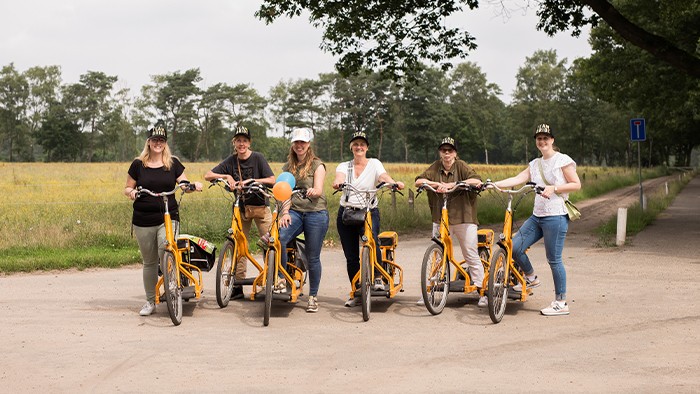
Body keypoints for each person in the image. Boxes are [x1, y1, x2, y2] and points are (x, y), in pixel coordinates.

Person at [492, 124, 581, 316]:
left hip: (555, 216)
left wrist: (555, 188)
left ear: (552, 140)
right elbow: (518, 178)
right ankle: (531, 276)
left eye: (546, 138)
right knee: (513, 247)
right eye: (539, 138)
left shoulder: (562, 160)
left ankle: (561, 302)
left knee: (554, 259)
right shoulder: (535, 164)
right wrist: (493, 184)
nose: (542, 141)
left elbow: (576, 184)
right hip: (537, 215)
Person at [125, 121, 203, 316]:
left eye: (161, 140)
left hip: (168, 216)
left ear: (165, 143)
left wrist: (191, 185)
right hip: (143, 218)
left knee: (165, 246)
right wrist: (132, 193)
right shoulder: (138, 164)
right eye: (154, 139)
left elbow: (183, 183)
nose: (158, 143)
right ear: (148, 142)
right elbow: (127, 187)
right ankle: (150, 301)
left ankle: (172, 285)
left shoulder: (172, 163)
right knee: (149, 262)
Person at [332, 131, 405, 307]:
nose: (359, 147)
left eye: (362, 144)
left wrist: (392, 182)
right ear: (351, 147)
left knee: (372, 242)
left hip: (368, 211)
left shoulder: (374, 163)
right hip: (347, 212)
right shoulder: (344, 166)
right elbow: (339, 177)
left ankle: (378, 278)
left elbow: (382, 176)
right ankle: (356, 290)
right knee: (351, 256)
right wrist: (337, 182)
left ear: (367, 148)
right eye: (356, 144)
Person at [204, 126, 275, 300]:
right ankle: (237, 284)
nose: (241, 144)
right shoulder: (231, 160)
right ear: (234, 143)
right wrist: (227, 177)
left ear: (249, 142)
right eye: (238, 141)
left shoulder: (258, 158)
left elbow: (272, 180)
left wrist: (253, 180)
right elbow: (208, 175)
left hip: (260, 207)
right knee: (239, 245)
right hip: (241, 207)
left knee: (270, 243)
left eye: (244, 140)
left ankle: (271, 280)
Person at [414, 137, 486, 308]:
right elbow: (418, 181)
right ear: (440, 152)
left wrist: (454, 184)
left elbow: (477, 180)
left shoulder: (461, 166)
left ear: (455, 153)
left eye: (450, 150)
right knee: (438, 254)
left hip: (464, 218)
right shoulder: (435, 166)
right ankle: (431, 289)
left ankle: (483, 291)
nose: (446, 154)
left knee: (470, 253)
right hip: (441, 218)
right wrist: (436, 184)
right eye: (443, 150)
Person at [276, 127, 329, 313]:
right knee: (280, 237)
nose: (300, 145)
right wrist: (285, 213)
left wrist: (314, 191)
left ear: (308, 145)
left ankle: (313, 296)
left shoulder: (317, 165)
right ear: (293, 144)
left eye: (303, 142)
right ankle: (281, 279)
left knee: (313, 257)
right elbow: (283, 193)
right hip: (296, 212)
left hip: (316, 213)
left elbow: (319, 189)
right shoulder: (287, 167)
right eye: (297, 142)